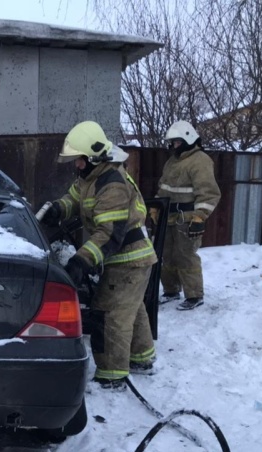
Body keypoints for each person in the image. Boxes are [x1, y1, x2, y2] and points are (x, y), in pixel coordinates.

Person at [43, 121, 157, 389]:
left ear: (94, 156)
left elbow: (108, 233)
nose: (77, 165)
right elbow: (73, 199)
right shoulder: (91, 177)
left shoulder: (112, 184)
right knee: (131, 307)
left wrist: (81, 260)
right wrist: (58, 209)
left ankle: (112, 374)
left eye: (80, 160)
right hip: (132, 259)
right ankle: (141, 358)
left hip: (129, 260)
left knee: (109, 313)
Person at [157, 120, 221, 310]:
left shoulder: (200, 160)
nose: (173, 146)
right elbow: (163, 187)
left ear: (187, 139)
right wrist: (156, 207)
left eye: (176, 142)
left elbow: (209, 193)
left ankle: (194, 295)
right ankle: (171, 290)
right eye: (172, 143)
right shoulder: (172, 161)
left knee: (186, 256)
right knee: (167, 256)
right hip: (169, 217)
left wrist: (200, 217)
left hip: (187, 218)